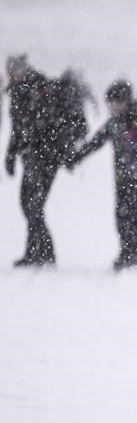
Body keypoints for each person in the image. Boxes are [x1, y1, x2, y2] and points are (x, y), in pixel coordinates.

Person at [67, 80, 137, 271]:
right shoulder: (113, 123)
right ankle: (127, 253)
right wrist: (77, 157)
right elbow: (96, 142)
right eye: (111, 102)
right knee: (122, 217)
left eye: (117, 101)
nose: (114, 106)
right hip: (122, 179)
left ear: (126, 100)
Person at [5, 54, 87, 268]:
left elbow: (48, 123)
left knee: (33, 205)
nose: (9, 75)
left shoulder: (39, 89)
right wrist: (11, 155)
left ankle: (41, 252)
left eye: (12, 71)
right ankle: (40, 251)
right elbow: (18, 128)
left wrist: (57, 149)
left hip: (46, 157)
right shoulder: (18, 93)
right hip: (31, 157)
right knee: (28, 203)